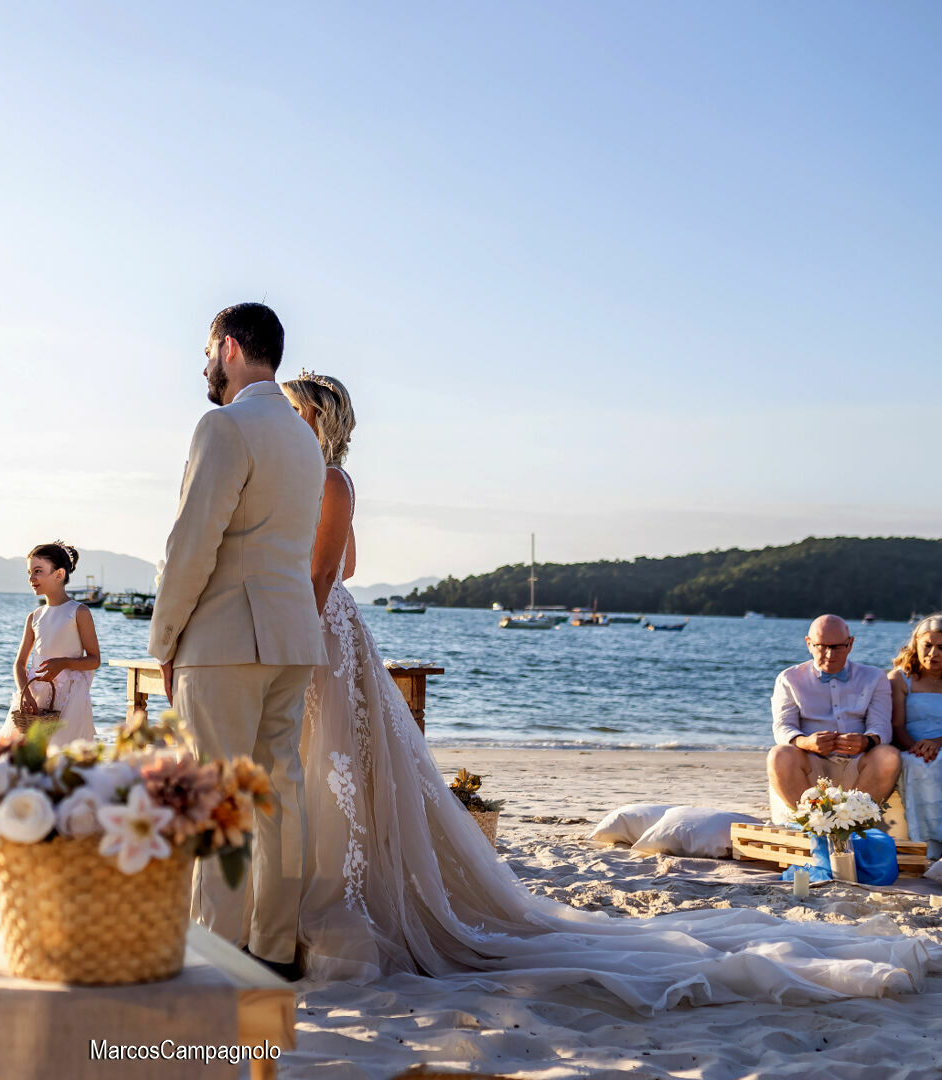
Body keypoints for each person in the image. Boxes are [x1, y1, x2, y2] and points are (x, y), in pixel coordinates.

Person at [284, 371, 937, 1007]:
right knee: (322, 766)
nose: (282, 419)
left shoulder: (330, 479)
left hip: (320, 633)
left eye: (293, 410)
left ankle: (332, 905)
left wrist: (291, 641)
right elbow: (346, 566)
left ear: (319, 418)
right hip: (322, 627)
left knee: (334, 763)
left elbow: (328, 577)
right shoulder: (303, 479)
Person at [150, 303, 327, 982]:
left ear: (227, 349)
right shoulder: (304, 439)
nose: (201, 365)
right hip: (290, 636)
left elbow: (193, 543)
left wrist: (164, 638)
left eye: (204, 351)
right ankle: (274, 949)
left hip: (224, 636)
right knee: (279, 793)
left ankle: (214, 950)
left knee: (216, 796)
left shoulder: (223, 425)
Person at [768, 614, 899, 817]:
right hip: (811, 766)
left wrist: (867, 742)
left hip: (859, 765)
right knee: (779, 755)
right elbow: (783, 727)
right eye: (821, 646)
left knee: (889, 756)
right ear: (809, 644)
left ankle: (853, 823)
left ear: (850, 644)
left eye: (837, 647)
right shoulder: (788, 678)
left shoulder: (875, 677)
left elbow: (882, 727)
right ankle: (813, 823)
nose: (829, 654)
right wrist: (806, 742)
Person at [0, 541, 99, 745]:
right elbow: (19, 664)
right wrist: (25, 693)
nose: (31, 578)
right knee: (28, 755)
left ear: (59, 574)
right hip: (35, 694)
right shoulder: (34, 616)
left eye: (38, 571)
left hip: (68, 697)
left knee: (61, 754)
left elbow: (94, 660)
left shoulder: (78, 612)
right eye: (29, 572)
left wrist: (63, 663)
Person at [890, 615, 942, 857]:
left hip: (940, 744)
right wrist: (918, 747)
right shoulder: (901, 679)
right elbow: (897, 726)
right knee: (918, 763)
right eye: (928, 646)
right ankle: (929, 847)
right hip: (911, 746)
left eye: (941, 647)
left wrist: (937, 744)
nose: (934, 653)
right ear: (916, 645)